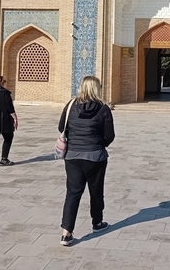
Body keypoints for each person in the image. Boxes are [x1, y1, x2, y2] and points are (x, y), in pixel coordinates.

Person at [58, 76, 115, 246]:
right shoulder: (103, 109)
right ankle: (97, 223)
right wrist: (99, 143)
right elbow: (109, 136)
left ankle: (66, 233)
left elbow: (62, 127)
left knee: (73, 193)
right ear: (97, 88)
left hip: (73, 157)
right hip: (95, 156)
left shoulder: (70, 105)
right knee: (96, 191)